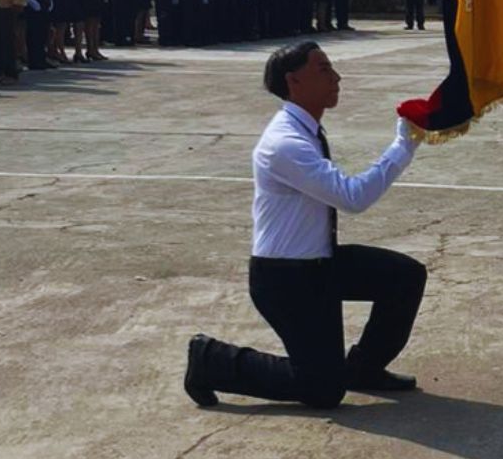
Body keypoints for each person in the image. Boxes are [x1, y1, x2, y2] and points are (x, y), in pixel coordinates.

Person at [183, 40, 427, 409]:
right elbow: (353, 197)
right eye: (324, 70)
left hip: (319, 264)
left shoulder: (305, 130)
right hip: (286, 279)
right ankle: (211, 359)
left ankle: (364, 368)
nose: (336, 78)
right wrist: (403, 145)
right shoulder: (285, 143)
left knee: (404, 276)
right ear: (293, 81)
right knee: (322, 389)